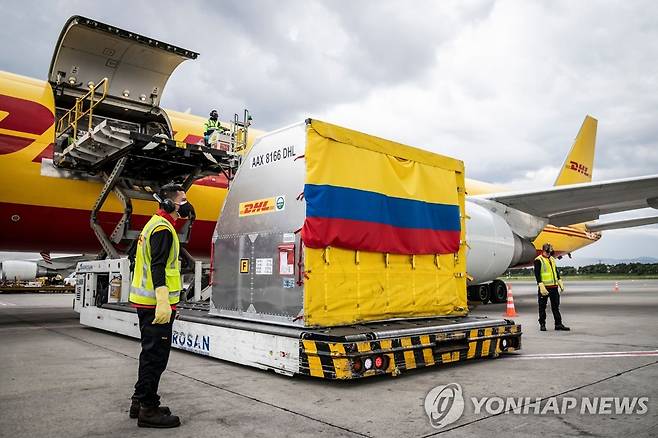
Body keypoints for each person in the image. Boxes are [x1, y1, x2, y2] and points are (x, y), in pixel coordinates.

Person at [128, 183, 194, 428]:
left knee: (149, 354)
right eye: (183, 198)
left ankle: (140, 401)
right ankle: (148, 410)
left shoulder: (154, 224)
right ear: (169, 203)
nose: (186, 203)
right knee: (156, 357)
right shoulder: (163, 229)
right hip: (156, 305)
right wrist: (163, 300)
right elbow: (157, 267)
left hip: (148, 303)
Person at [534, 243, 570, 332]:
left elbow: (555, 271)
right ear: (544, 250)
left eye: (550, 252)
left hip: (554, 287)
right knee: (542, 307)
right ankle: (542, 324)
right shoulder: (538, 260)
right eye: (548, 252)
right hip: (544, 287)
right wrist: (540, 284)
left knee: (556, 306)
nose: (549, 253)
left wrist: (559, 280)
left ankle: (558, 324)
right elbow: (537, 274)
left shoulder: (552, 259)